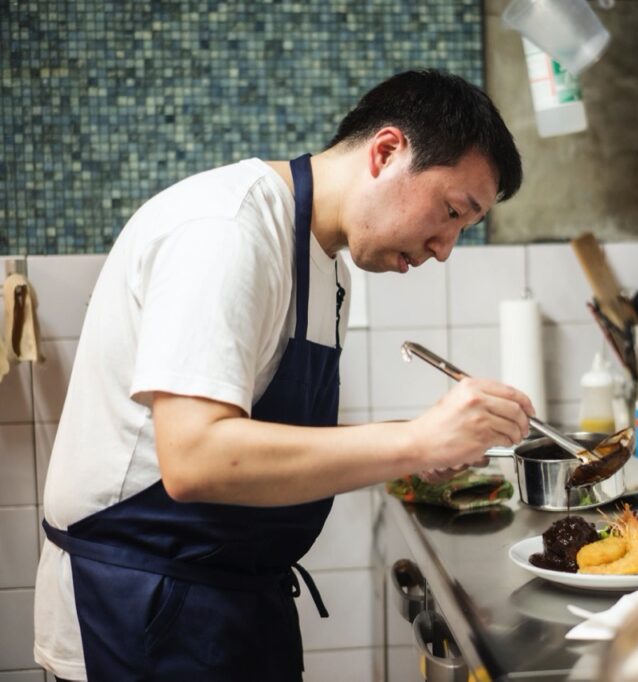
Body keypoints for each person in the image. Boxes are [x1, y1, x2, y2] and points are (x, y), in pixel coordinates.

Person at [33, 69, 532, 681]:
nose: (445, 247)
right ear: (386, 151)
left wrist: (413, 445)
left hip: (231, 603)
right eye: (451, 211)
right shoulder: (228, 231)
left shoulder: (327, 265)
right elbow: (196, 457)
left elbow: (262, 431)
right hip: (140, 611)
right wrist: (416, 439)